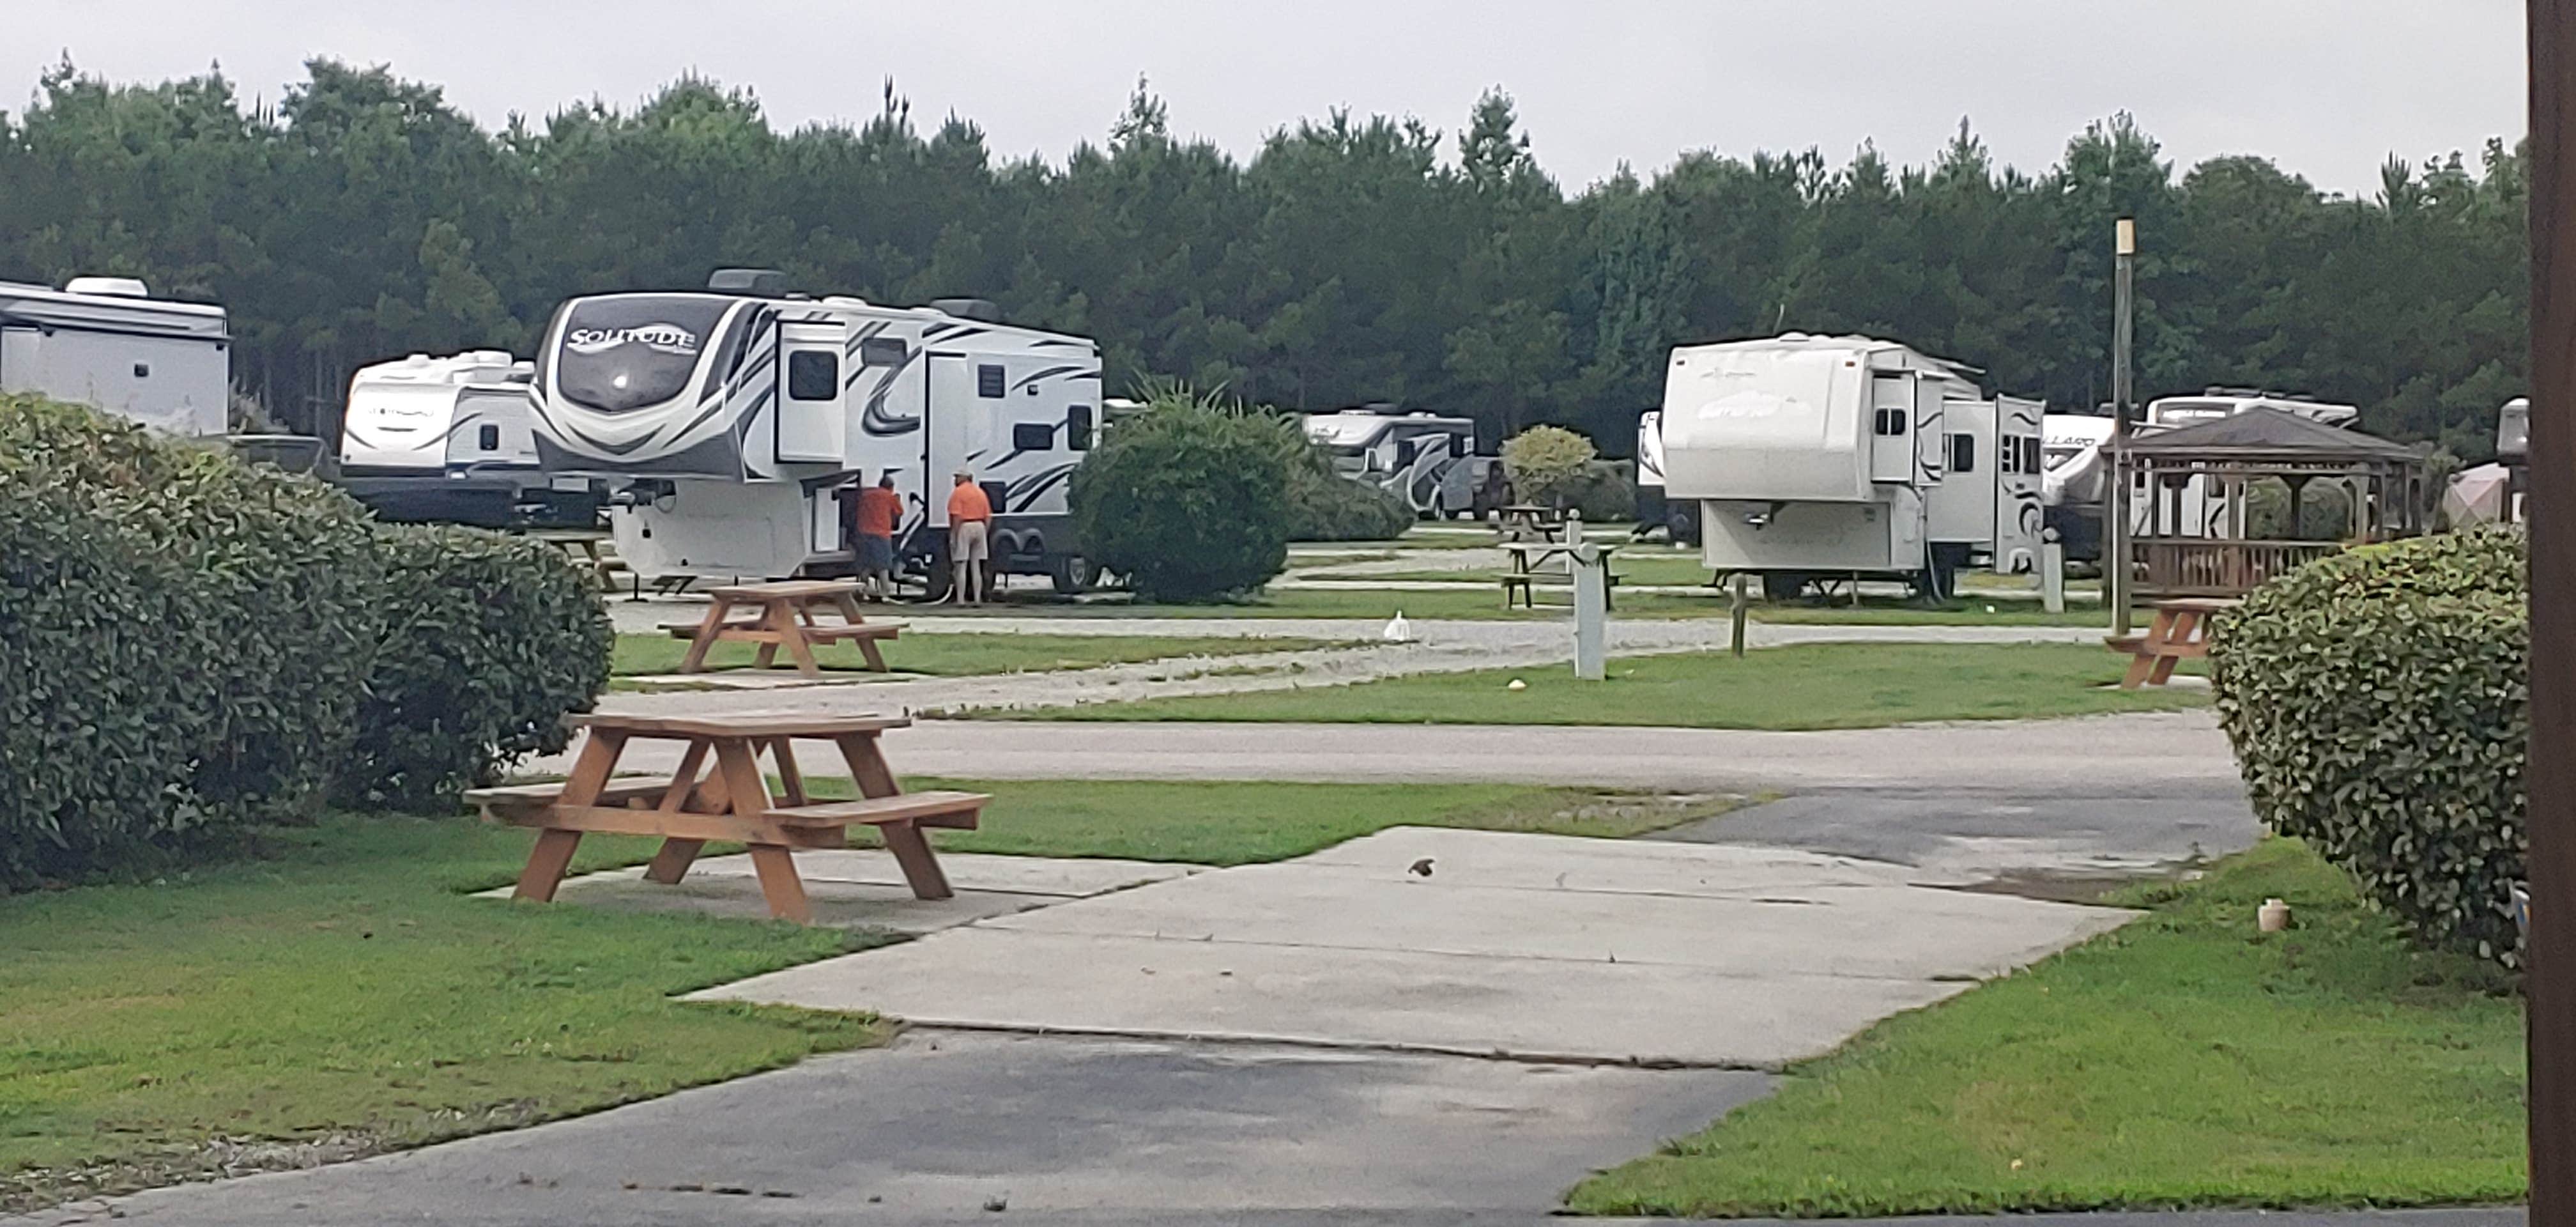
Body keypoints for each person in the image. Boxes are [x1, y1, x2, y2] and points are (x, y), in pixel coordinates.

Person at [850, 472, 902, 600]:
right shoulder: (889, 496)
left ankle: (862, 590)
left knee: (866, 563)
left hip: (863, 533)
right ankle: (885, 591)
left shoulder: (866, 495)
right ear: (891, 487)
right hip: (881, 534)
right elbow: (899, 513)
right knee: (883, 564)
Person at [946, 469, 993, 605]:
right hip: (980, 526)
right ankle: (978, 598)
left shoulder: (958, 493)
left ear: (963, 478)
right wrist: (985, 531)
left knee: (961, 565)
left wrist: (954, 535)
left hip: (965, 527)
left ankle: (961, 599)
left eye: (957, 477)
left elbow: (957, 517)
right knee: (976, 565)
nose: (955, 480)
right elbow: (988, 516)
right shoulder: (980, 493)